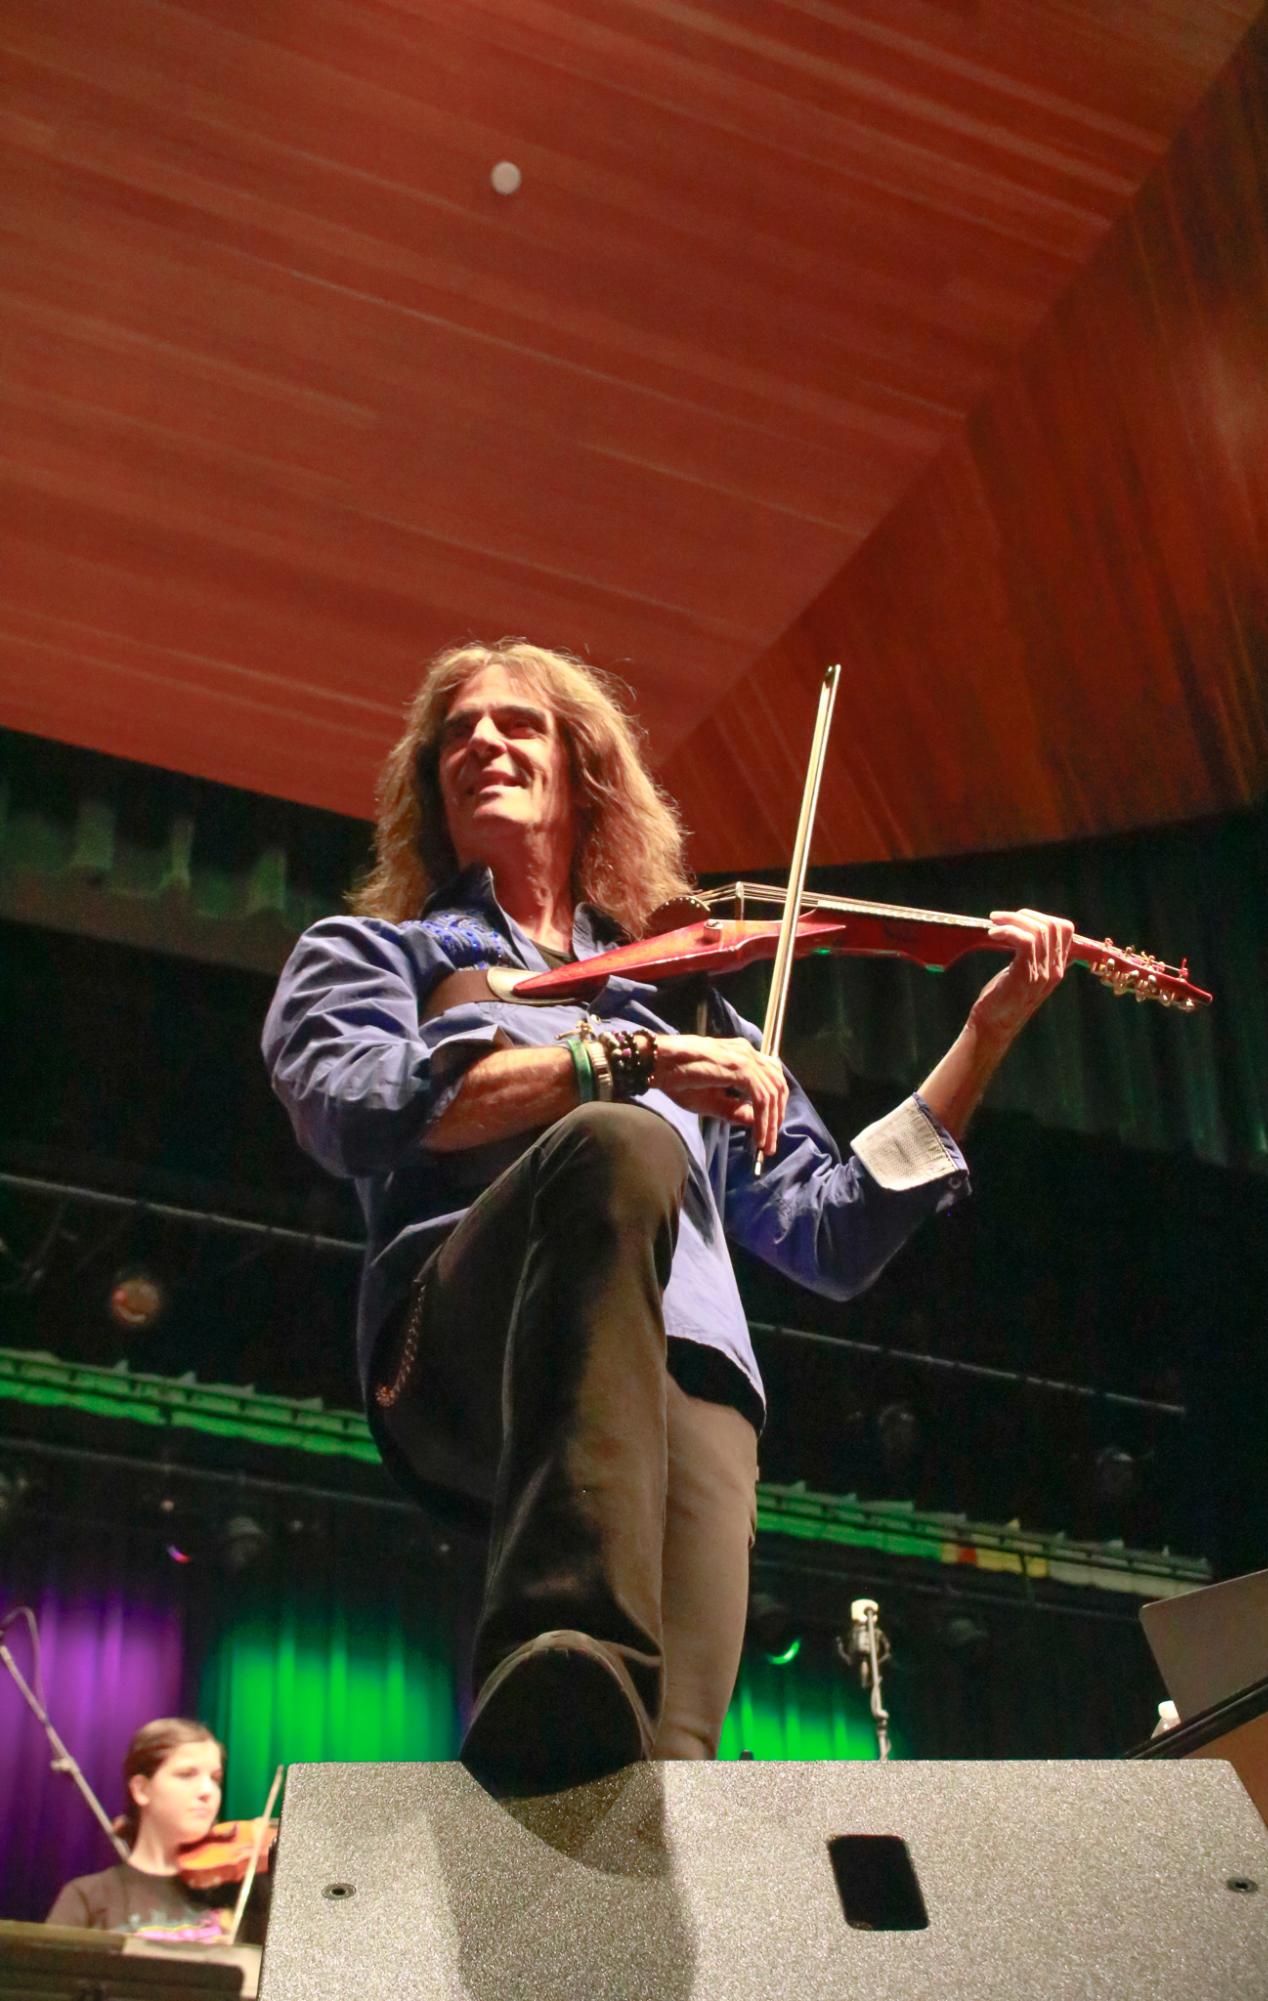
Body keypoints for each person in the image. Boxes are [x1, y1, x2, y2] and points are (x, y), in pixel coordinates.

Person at [262, 639, 1072, 1790]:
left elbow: (828, 1230)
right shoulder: (381, 956)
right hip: (467, 1338)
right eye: (458, 731)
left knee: (662, 1776)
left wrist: (982, 1037)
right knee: (618, 1140)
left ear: (581, 771)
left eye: (518, 725)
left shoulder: (689, 1000)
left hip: (692, 1375)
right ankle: (560, 1629)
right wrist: (620, 1065)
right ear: (429, 782)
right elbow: (347, 1104)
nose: (483, 742)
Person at [46, 1717, 260, 1942]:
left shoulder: (243, 1890)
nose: (208, 1791)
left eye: (215, 1778)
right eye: (186, 1774)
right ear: (141, 1790)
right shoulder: (89, 1897)